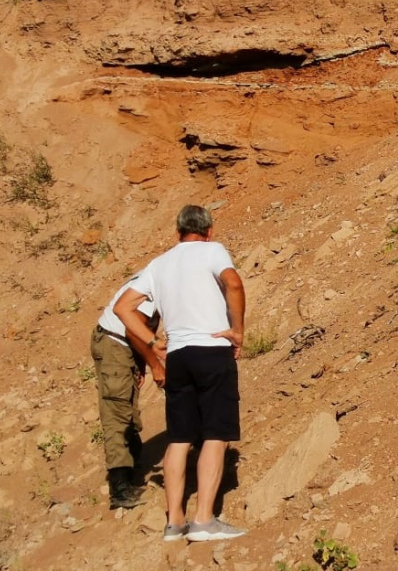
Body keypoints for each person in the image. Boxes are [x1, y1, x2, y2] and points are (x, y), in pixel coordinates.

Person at [115, 205, 247, 543]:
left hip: (178, 356)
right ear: (209, 230)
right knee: (216, 433)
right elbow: (232, 282)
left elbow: (122, 307)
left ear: (178, 232)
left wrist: (151, 340)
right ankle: (204, 520)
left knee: (179, 437)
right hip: (211, 349)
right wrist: (237, 329)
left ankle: (174, 521)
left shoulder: (159, 264)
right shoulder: (212, 251)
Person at [91, 277, 166, 510]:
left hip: (123, 346)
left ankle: (131, 472)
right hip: (116, 343)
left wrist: (140, 363)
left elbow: (141, 331)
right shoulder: (155, 284)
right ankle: (120, 487)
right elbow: (133, 329)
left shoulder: (159, 275)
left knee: (127, 407)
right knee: (117, 413)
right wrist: (155, 365)